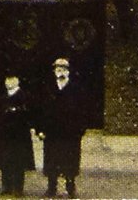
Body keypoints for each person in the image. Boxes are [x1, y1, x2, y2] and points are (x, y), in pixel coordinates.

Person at [35, 57, 88, 199]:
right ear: (54, 71)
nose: (61, 71)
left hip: (70, 133)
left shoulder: (77, 89)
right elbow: (40, 110)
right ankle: (51, 187)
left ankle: (70, 187)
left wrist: (80, 130)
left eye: (64, 69)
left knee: (70, 160)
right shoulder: (47, 88)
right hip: (52, 132)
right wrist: (39, 129)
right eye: (58, 69)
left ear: (69, 71)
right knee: (52, 159)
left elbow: (84, 111)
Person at [0, 72, 35, 196]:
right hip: (3, 135)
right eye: (7, 79)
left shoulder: (24, 96)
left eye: (12, 79)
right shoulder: (1, 97)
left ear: (17, 81)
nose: (9, 82)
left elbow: (29, 114)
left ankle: (18, 187)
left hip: (19, 135)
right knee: (5, 161)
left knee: (18, 162)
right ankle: (6, 185)